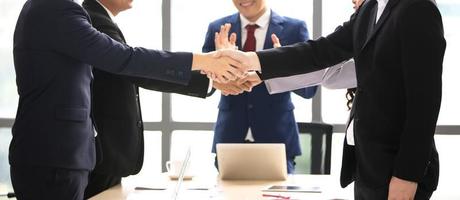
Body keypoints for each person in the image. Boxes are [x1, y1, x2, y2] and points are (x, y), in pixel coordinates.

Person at [9, 0, 246, 199]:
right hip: (53, 157)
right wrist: (205, 61)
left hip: (61, 156)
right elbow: (125, 59)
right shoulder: (56, 9)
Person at [217, 0, 446, 198]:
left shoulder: (418, 9)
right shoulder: (370, 10)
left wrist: (407, 175)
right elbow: (320, 51)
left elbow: (424, 105)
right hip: (368, 167)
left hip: (397, 169)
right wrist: (251, 60)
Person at [81, 0, 213, 198]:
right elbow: (135, 67)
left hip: (106, 151)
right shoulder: (94, 20)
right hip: (101, 150)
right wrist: (208, 73)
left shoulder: (100, 18)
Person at [202, 0, 318, 174]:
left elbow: (309, 90)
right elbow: (204, 82)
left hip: (277, 137)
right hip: (230, 136)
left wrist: (283, 68)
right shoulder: (218, 29)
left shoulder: (294, 29)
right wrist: (220, 70)